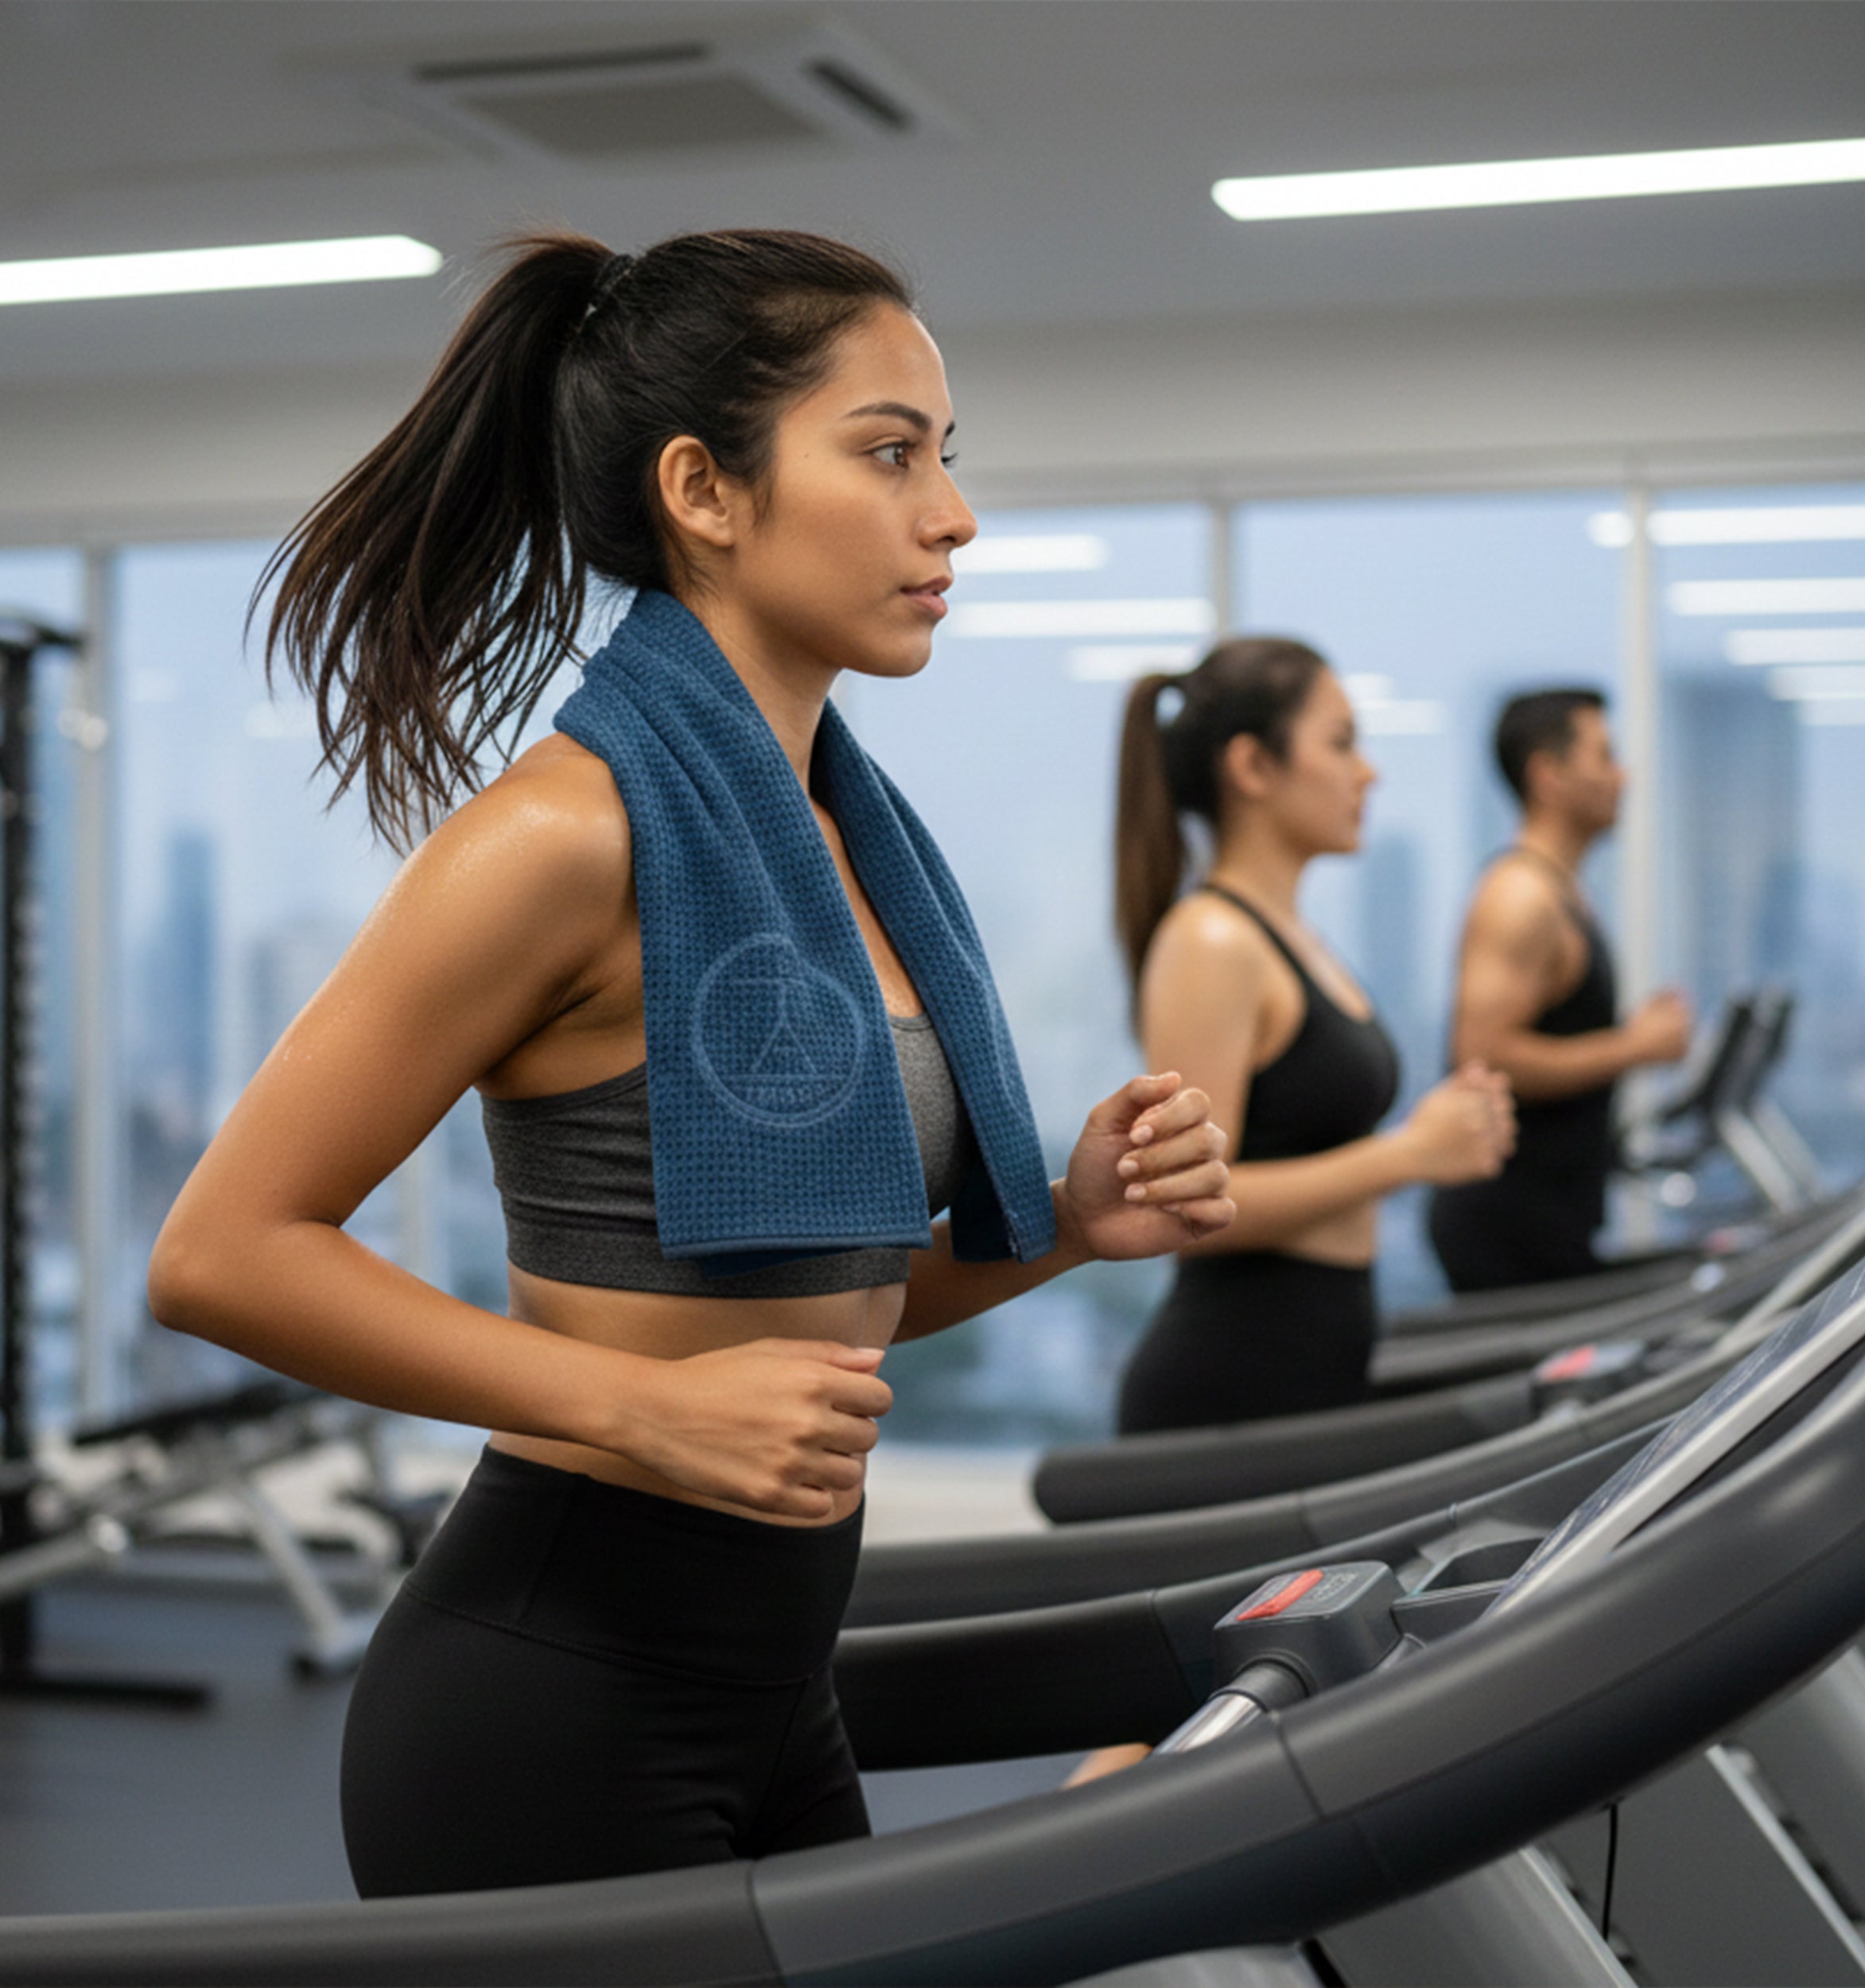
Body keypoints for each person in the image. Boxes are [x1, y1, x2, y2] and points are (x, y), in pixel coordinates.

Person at [145, 229, 1234, 1897]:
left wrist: (1072, 1222)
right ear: (703, 492)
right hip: (551, 1694)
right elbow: (220, 1252)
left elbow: (799, 1312)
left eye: (946, 458)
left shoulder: (843, 845)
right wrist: (635, 1403)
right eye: (887, 452)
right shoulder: (559, 835)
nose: (949, 513)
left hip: (773, 1690)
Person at [1110, 638, 1513, 1435]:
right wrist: (1409, 1155)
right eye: (1340, 743)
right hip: (1233, 1380)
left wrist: (1438, 1131)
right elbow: (1189, 1211)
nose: (1367, 772)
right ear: (1253, 766)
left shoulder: (1292, 936)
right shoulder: (1212, 940)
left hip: (1317, 1354)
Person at [1427, 686, 1692, 1292]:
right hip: (1506, 1224)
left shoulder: (1562, 893)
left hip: (1551, 1215)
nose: (1621, 776)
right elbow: (1483, 1055)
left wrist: (1630, 1040)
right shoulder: (1521, 896)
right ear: (1548, 775)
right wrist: (1636, 1046)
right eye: (1604, 756)